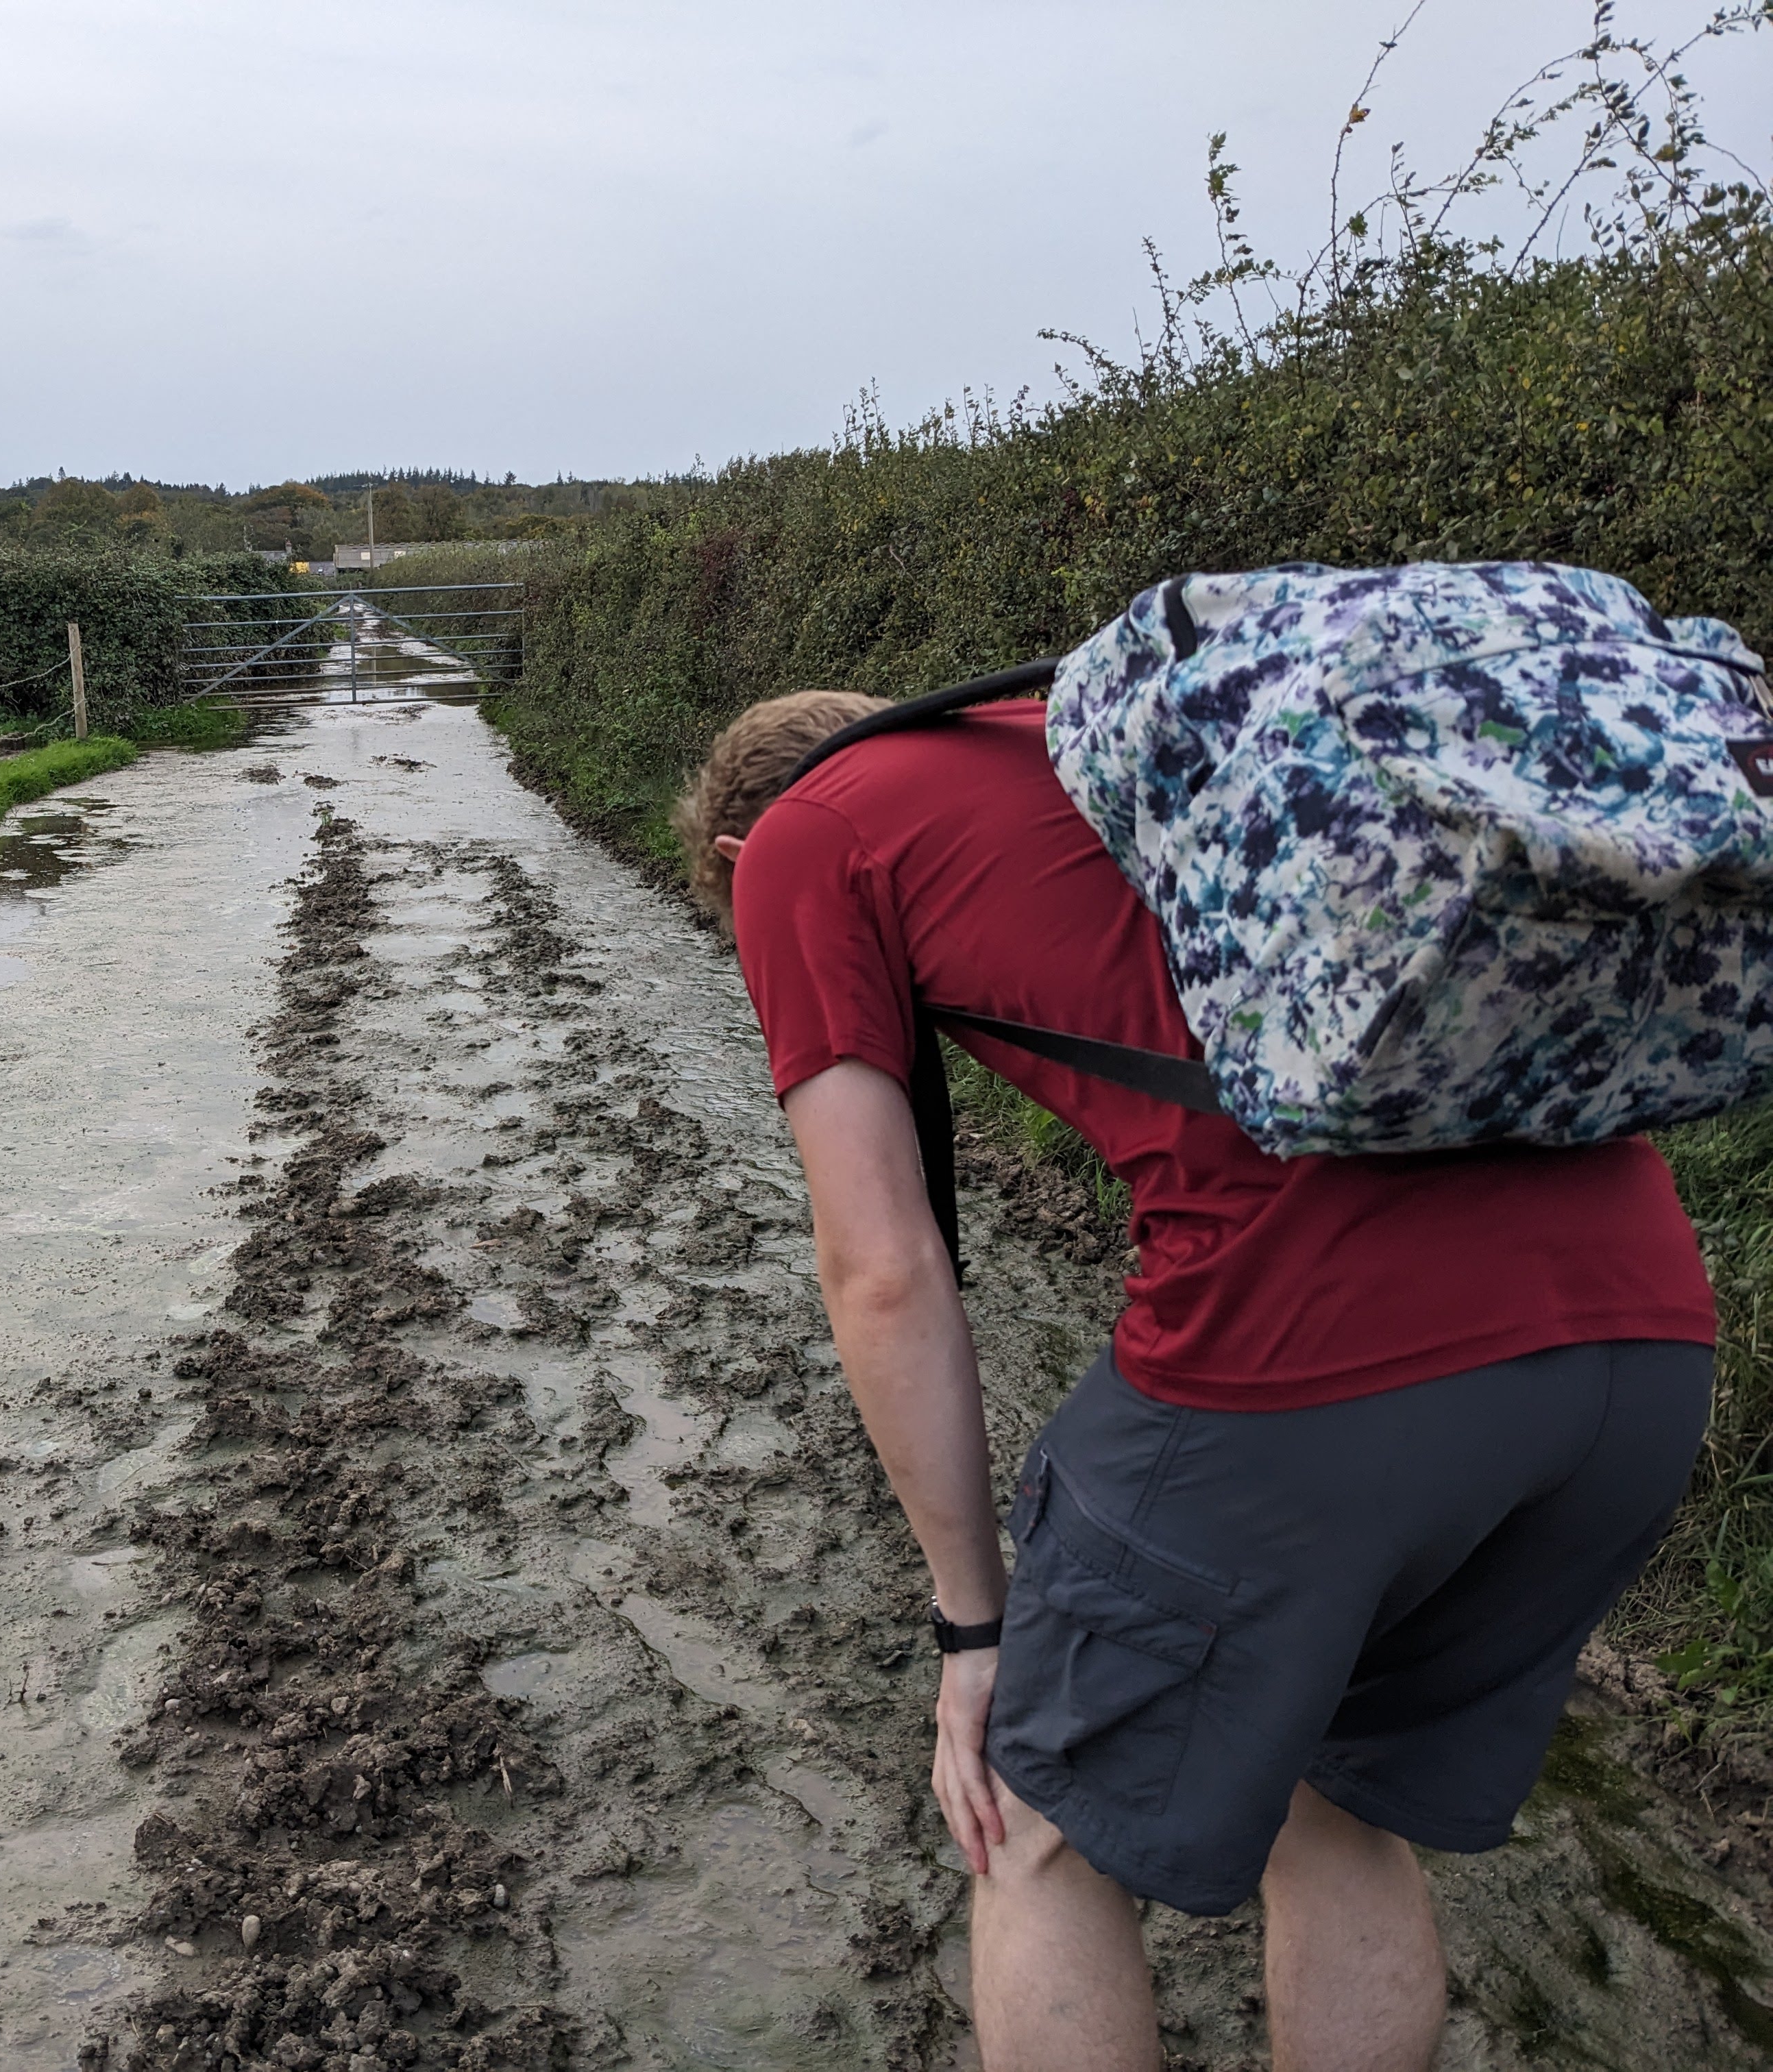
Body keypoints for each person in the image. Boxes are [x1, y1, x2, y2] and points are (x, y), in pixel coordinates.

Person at [681, 687, 1719, 2072]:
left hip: (1323, 1347)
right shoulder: (1110, 729)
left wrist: (974, 1630)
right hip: (1642, 1331)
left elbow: (880, 1268)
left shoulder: (803, 842)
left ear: (743, 854)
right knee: (1335, 1803)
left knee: (1031, 1818)